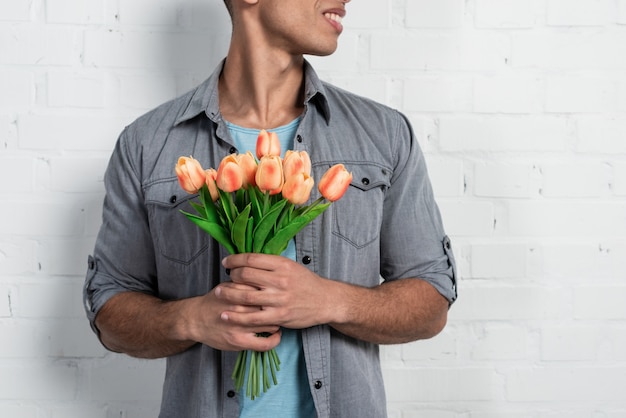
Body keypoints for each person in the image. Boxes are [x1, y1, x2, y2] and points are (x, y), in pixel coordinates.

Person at [83, 0, 457, 417]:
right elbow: (109, 310)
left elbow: (432, 302)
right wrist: (191, 320)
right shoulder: (146, 144)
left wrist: (329, 301)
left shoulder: (383, 135)